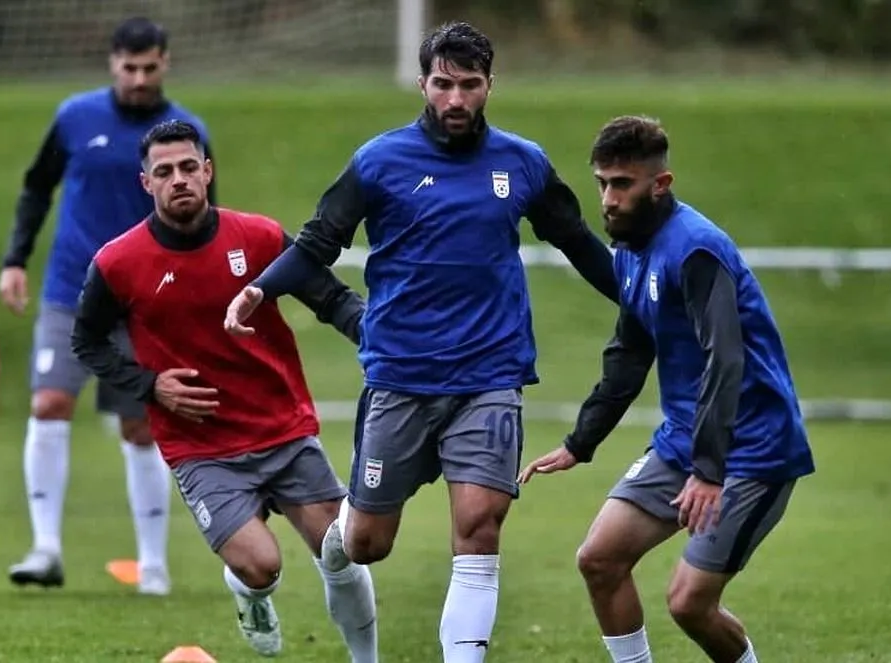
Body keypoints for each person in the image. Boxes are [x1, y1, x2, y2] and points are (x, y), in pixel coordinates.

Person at [224, 21, 619, 663]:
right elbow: (319, 241)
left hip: (490, 374)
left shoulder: (523, 162)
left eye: (470, 85)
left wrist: (641, 301)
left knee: (480, 526)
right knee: (367, 544)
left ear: (490, 85)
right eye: (443, 84)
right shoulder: (379, 161)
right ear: (422, 84)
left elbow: (578, 242)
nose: (455, 99)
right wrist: (259, 290)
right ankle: (336, 546)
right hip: (401, 377)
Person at [71, 119, 378, 661]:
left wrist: (380, 338)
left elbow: (330, 297)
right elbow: (87, 342)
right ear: (146, 183)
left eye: (188, 167)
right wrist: (150, 385)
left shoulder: (258, 238)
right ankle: (250, 593)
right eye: (164, 172)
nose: (178, 179)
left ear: (207, 171)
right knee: (262, 566)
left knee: (342, 550)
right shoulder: (118, 263)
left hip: (283, 430)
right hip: (201, 448)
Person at [519, 115, 816, 663]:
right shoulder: (632, 251)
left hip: (754, 448)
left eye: (622, 184)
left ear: (661, 184)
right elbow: (629, 355)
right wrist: (580, 442)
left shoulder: (696, 249)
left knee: (689, 603)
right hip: (685, 440)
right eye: (602, 183)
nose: (609, 199)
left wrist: (709, 471)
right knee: (599, 559)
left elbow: (726, 358)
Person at [0, 17, 215, 595]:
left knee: (141, 425)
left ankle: (153, 566)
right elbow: (37, 187)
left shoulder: (186, 133)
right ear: (113, 63)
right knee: (49, 402)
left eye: (149, 68)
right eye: (129, 67)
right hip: (71, 290)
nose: (139, 79)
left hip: (145, 301)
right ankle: (45, 548)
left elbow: (202, 222)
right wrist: (15, 259)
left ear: (165, 63)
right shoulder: (75, 117)